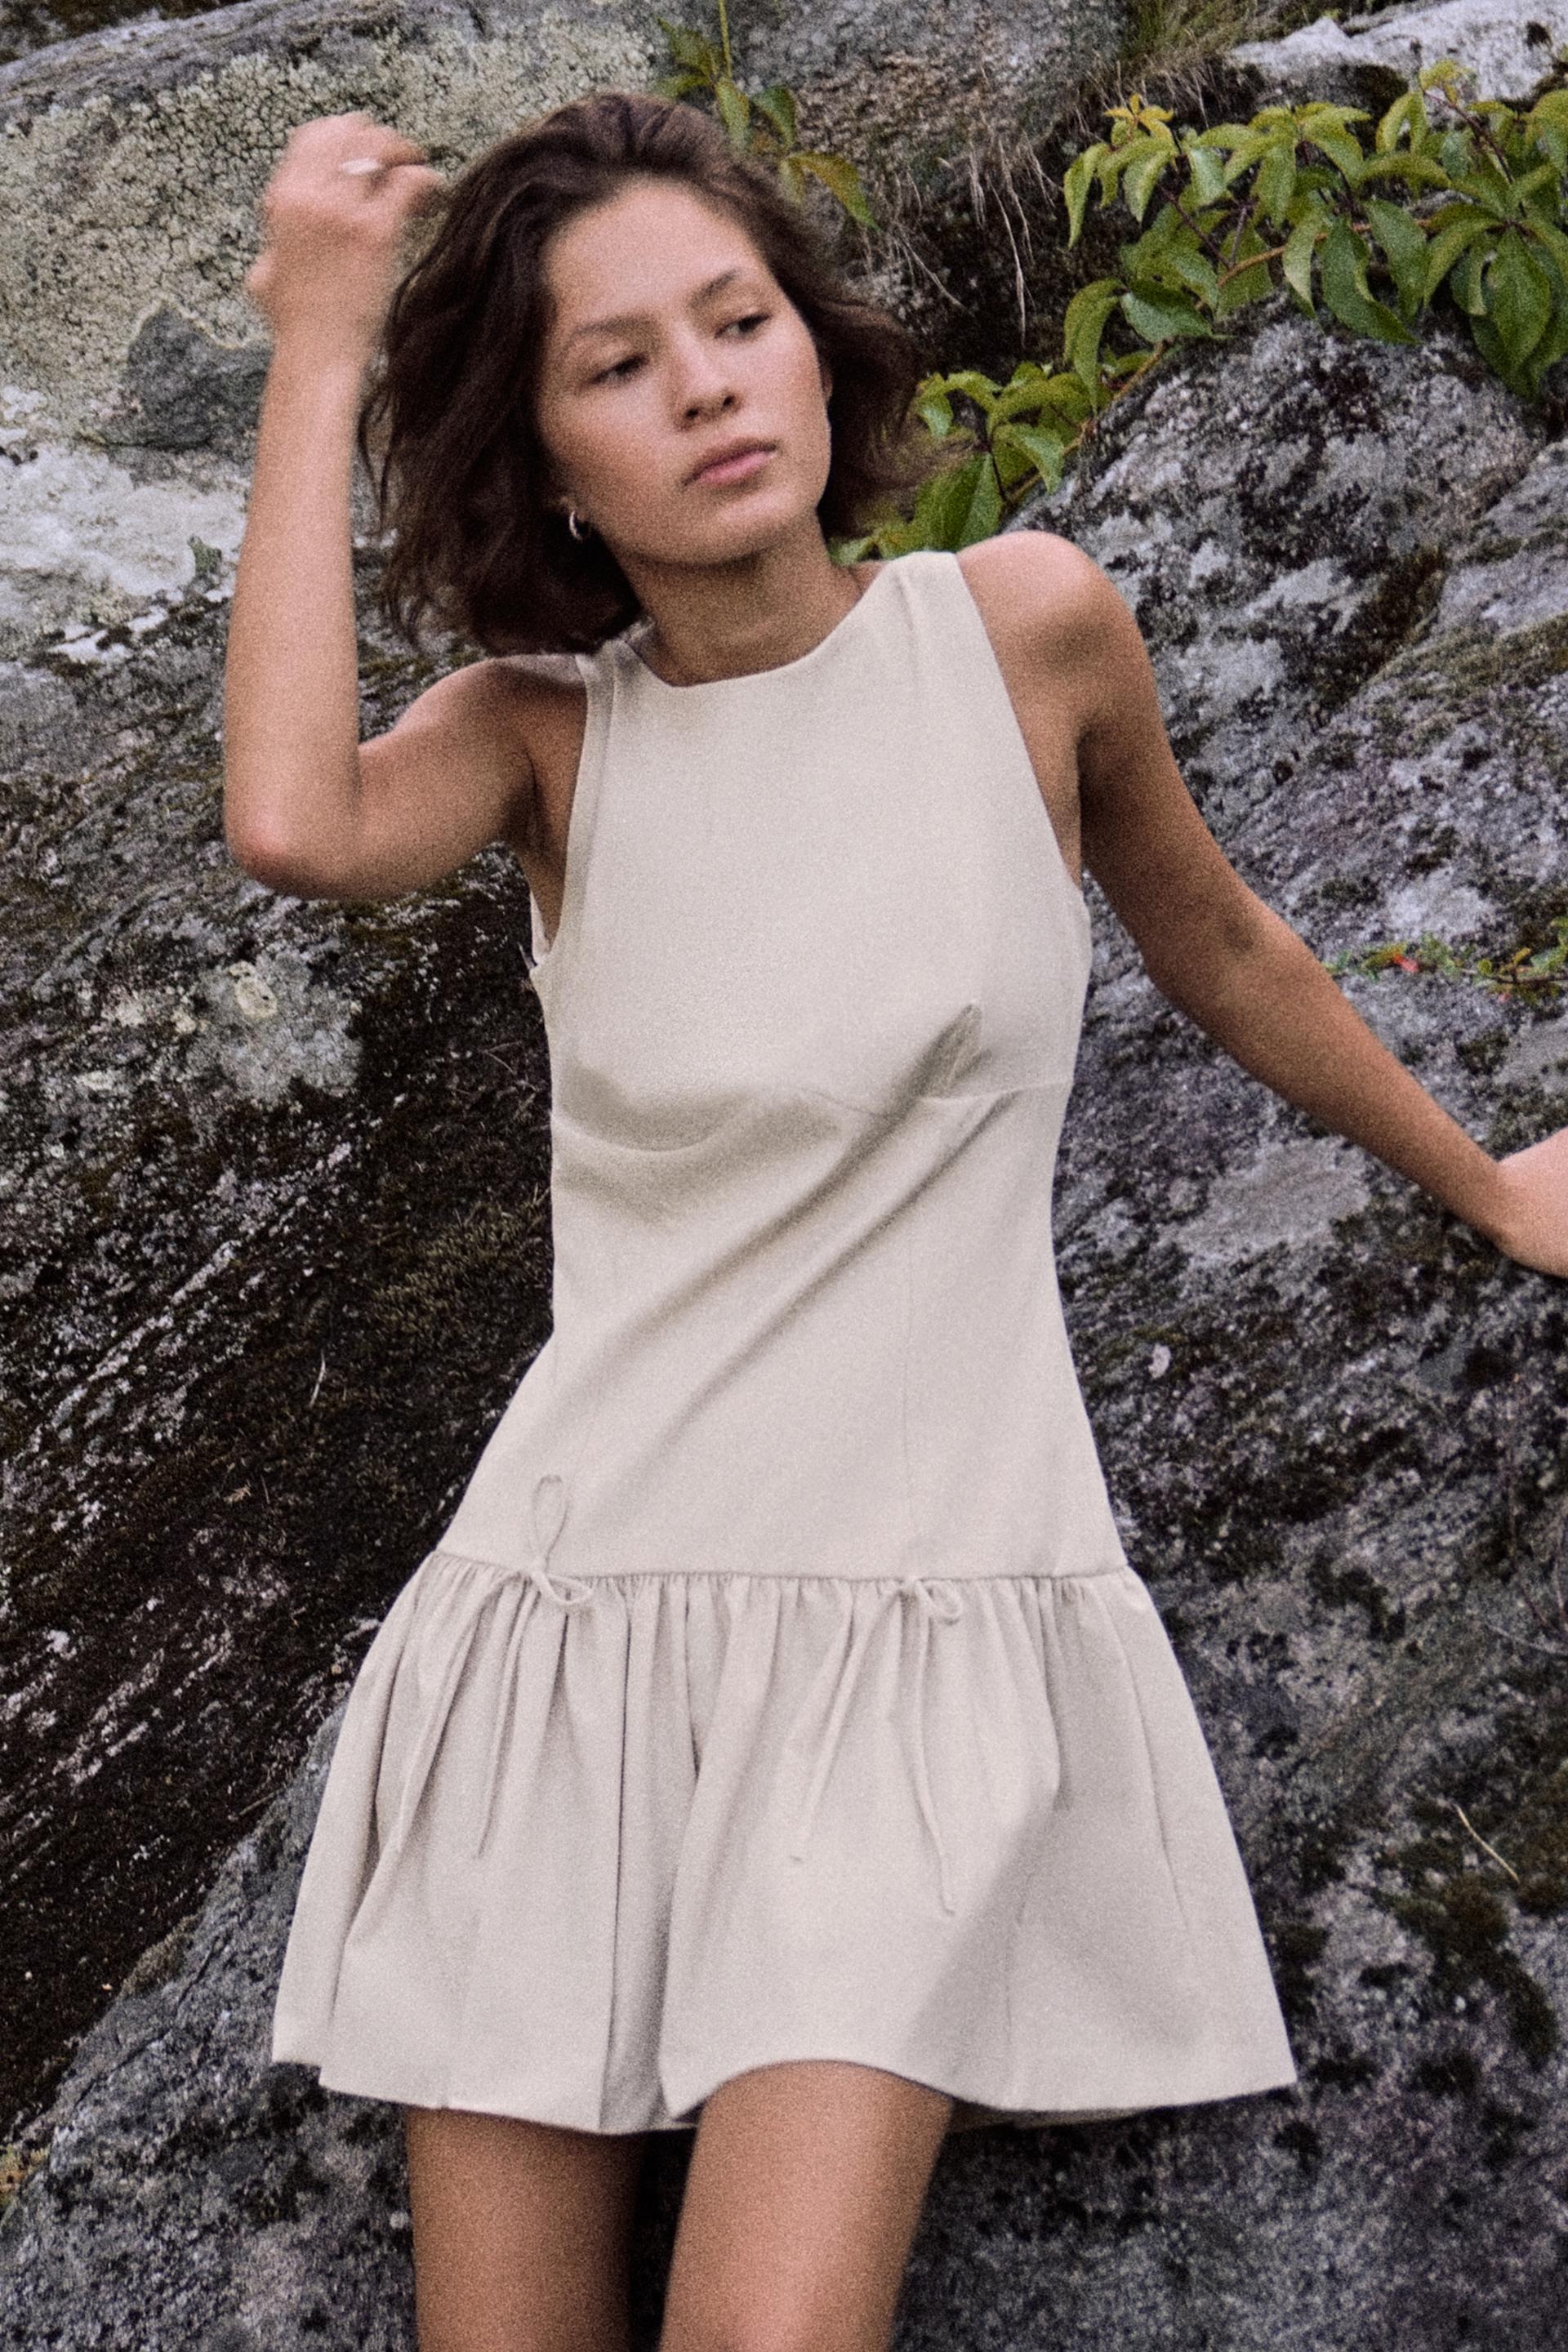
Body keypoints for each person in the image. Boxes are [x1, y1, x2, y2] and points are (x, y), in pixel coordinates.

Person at [226, 87, 1568, 2352]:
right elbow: (291, 826)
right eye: (618, 364)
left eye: (736, 319)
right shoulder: (546, 737)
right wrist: (319, 340)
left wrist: (1486, 1180)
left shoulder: (1025, 632)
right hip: (572, 1630)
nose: (706, 387)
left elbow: (1221, 944)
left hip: (916, 1629)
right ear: (552, 467)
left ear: (815, 343)